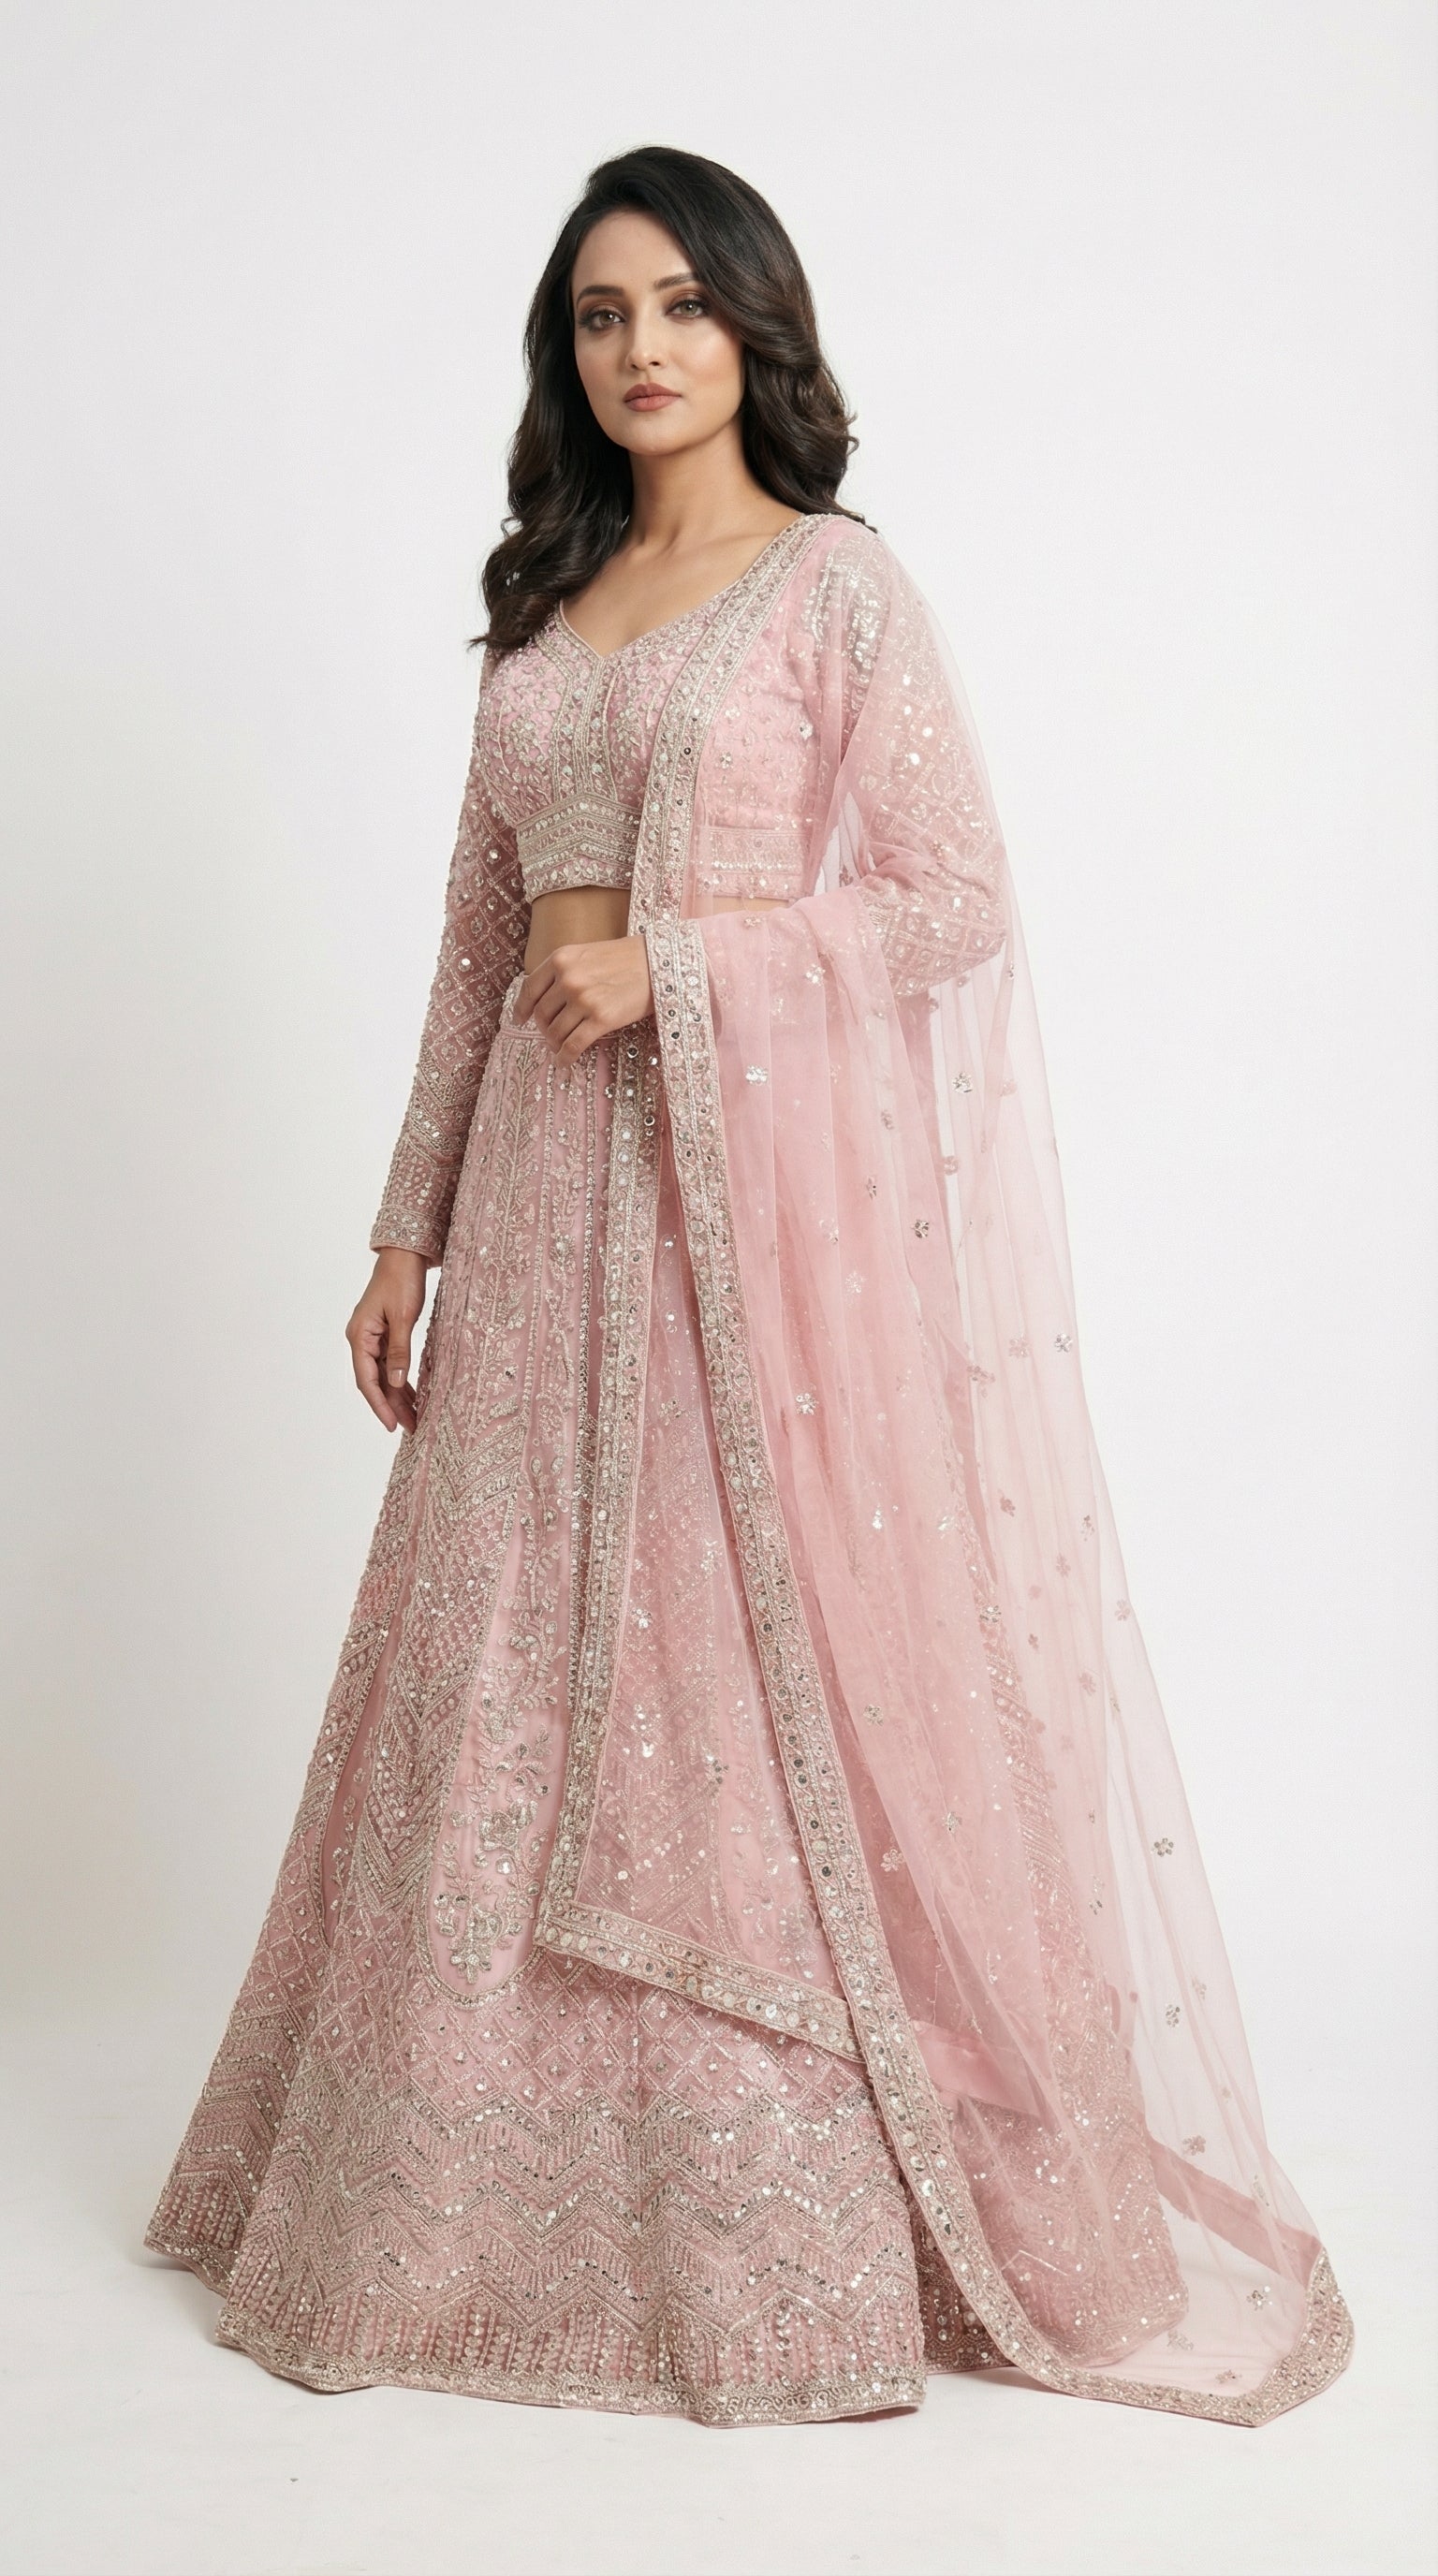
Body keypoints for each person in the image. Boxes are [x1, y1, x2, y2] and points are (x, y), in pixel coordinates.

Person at [147, 145, 1351, 2426]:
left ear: (757, 330)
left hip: (734, 1222)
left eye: (683, 307)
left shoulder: (835, 595)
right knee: (501, 1640)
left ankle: (746, 2211)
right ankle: (439, 2199)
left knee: (723, 1650)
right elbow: (477, 948)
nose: (642, 350)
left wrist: (686, 966)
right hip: (531, 1203)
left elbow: (949, 897)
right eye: (600, 315)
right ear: (565, 351)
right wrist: (401, 1225)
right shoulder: (545, 603)